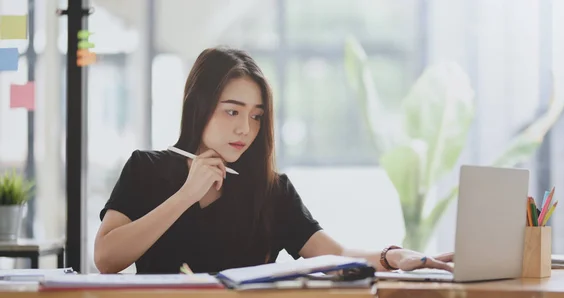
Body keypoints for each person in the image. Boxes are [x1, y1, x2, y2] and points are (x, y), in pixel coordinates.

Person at [93, 47, 454, 274]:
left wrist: (392, 256)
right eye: (232, 112)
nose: (245, 129)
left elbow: (336, 253)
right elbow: (106, 259)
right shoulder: (146, 168)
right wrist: (186, 194)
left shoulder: (271, 189)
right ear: (198, 108)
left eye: (255, 116)